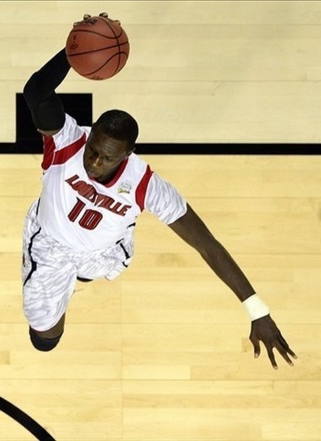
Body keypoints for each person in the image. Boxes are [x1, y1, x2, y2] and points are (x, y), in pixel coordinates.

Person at [21, 12, 297, 369]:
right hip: (52, 246)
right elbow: (36, 91)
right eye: (93, 151)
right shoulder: (68, 143)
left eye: (105, 158)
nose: (93, 163)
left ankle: (80, 274)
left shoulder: (147, 186)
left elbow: (207, 245)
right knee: (43, 338)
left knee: (94, 267)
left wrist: (256, 308)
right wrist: (77, 50)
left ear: (127, 154)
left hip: (106, 249)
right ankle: (63, 282)